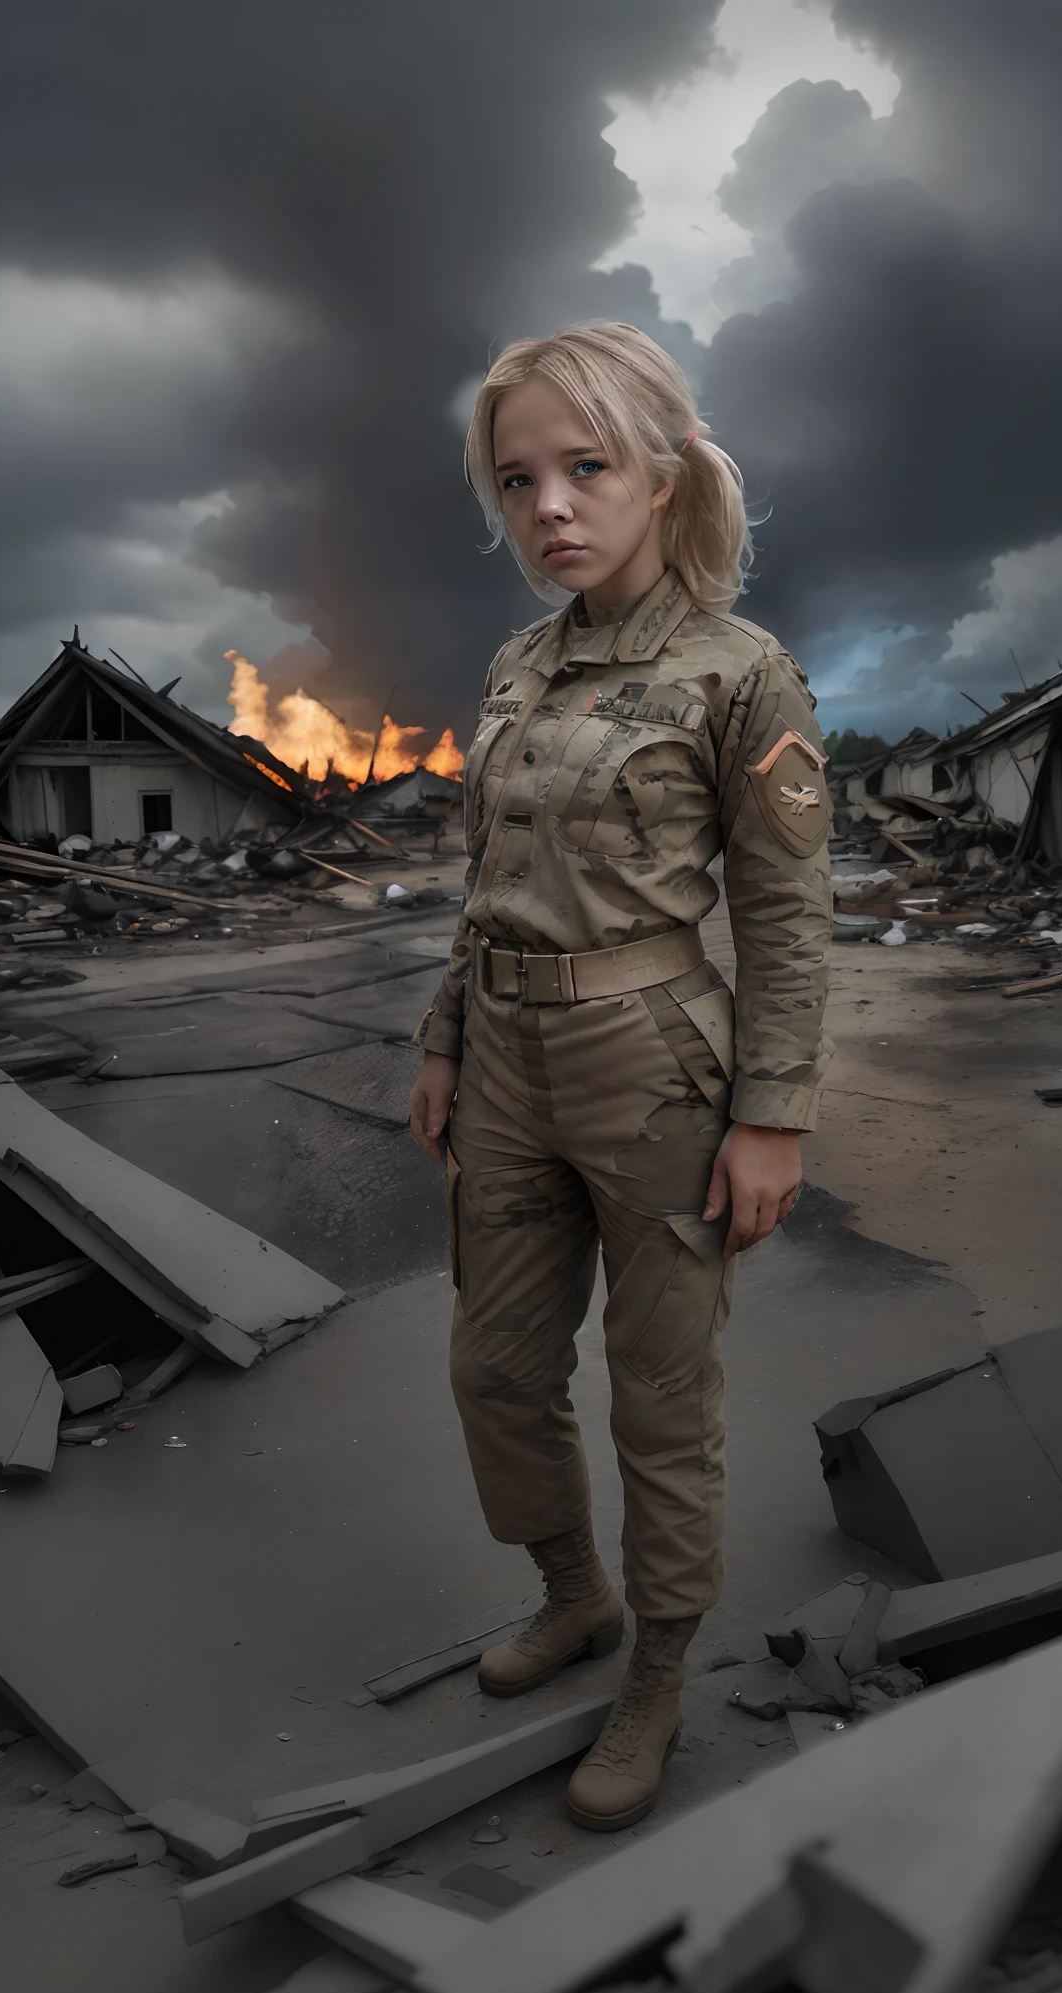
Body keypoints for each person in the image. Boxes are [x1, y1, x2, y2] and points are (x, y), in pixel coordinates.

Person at [409, 321, 831, 1831]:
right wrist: (447, 1036)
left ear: (664, 471)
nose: (550, 508)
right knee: (497, 1371)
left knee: (661, 1394)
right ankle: (573, 1594)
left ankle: (656, 1669)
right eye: (518, 480)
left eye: (585, 467)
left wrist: (773, 1117)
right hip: (508, 1058)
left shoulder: (739, 672)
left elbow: (787, 913)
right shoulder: (519, 665)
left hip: (653, 1065)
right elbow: (486, 879)